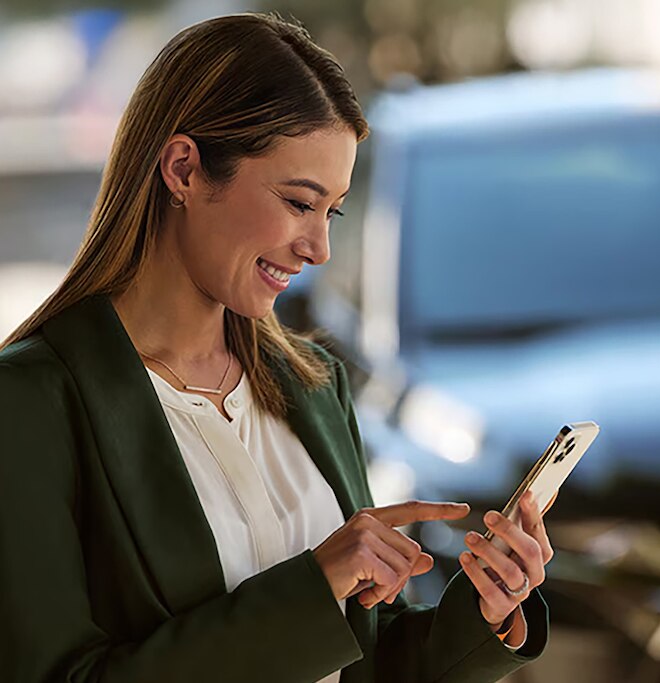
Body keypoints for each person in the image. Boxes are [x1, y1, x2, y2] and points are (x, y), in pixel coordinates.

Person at [0, 13, 550, 683]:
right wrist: (315, 587)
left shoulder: (313, 386)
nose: (318, 248)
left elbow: (368, 658)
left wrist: (486, 611)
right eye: (298, 201)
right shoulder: (29, 405)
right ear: (184, 169)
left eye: (333, 212)